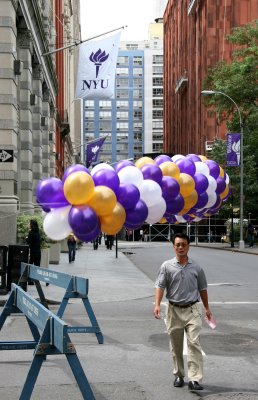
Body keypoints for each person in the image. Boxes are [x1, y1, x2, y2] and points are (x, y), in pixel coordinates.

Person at [154, 233, 212, 391]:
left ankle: (194, 378)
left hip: (192, 309)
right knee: (176, 345)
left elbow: (203, 288)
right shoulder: (166, 266)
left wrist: (206, 308)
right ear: (173, 246)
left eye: (184, 244)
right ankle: (179, 375)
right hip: (173, 310)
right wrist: (157, 304)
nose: (181, 247)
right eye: (178, 244)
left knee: (194, 343)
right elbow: (160, 286)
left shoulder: (197, 267)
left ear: (188, 246)